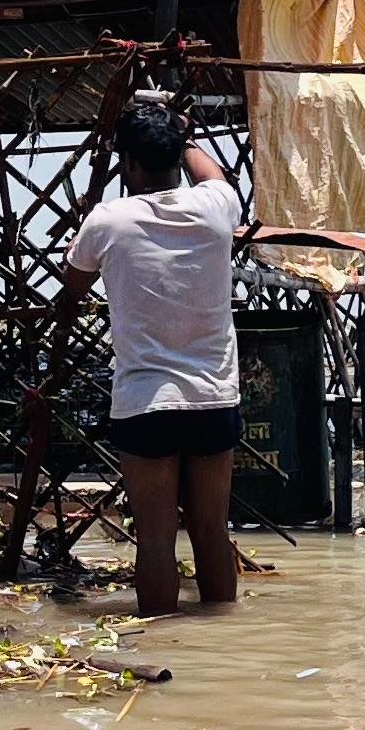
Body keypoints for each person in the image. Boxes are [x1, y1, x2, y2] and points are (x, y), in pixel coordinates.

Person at [58, 93, 245, 617]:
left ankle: (165, 644)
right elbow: (216, 175)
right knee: (212, 530)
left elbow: (71, 289)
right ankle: (224, 639)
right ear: (173, 157)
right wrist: (184, 134)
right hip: (212, 398)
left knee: (156, 539)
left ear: (130, 164)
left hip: (146, 401)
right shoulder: (214, 209)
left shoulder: (108, 221)